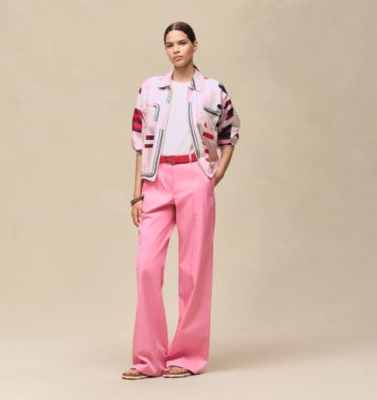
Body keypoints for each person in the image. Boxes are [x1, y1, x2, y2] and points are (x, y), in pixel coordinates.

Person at [122, 21, 241, 380]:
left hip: (194, 177)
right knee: (146, 266)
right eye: (170, 44)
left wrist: (216, 173)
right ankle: (148, 359)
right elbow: (139, 144)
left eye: (182, 43)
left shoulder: (212, 90)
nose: (175, 49)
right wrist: (137, 194)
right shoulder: (149, 89)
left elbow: (230, 131)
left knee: (193, 270)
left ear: (194, 46)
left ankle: (187, 356)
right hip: (156, 180)